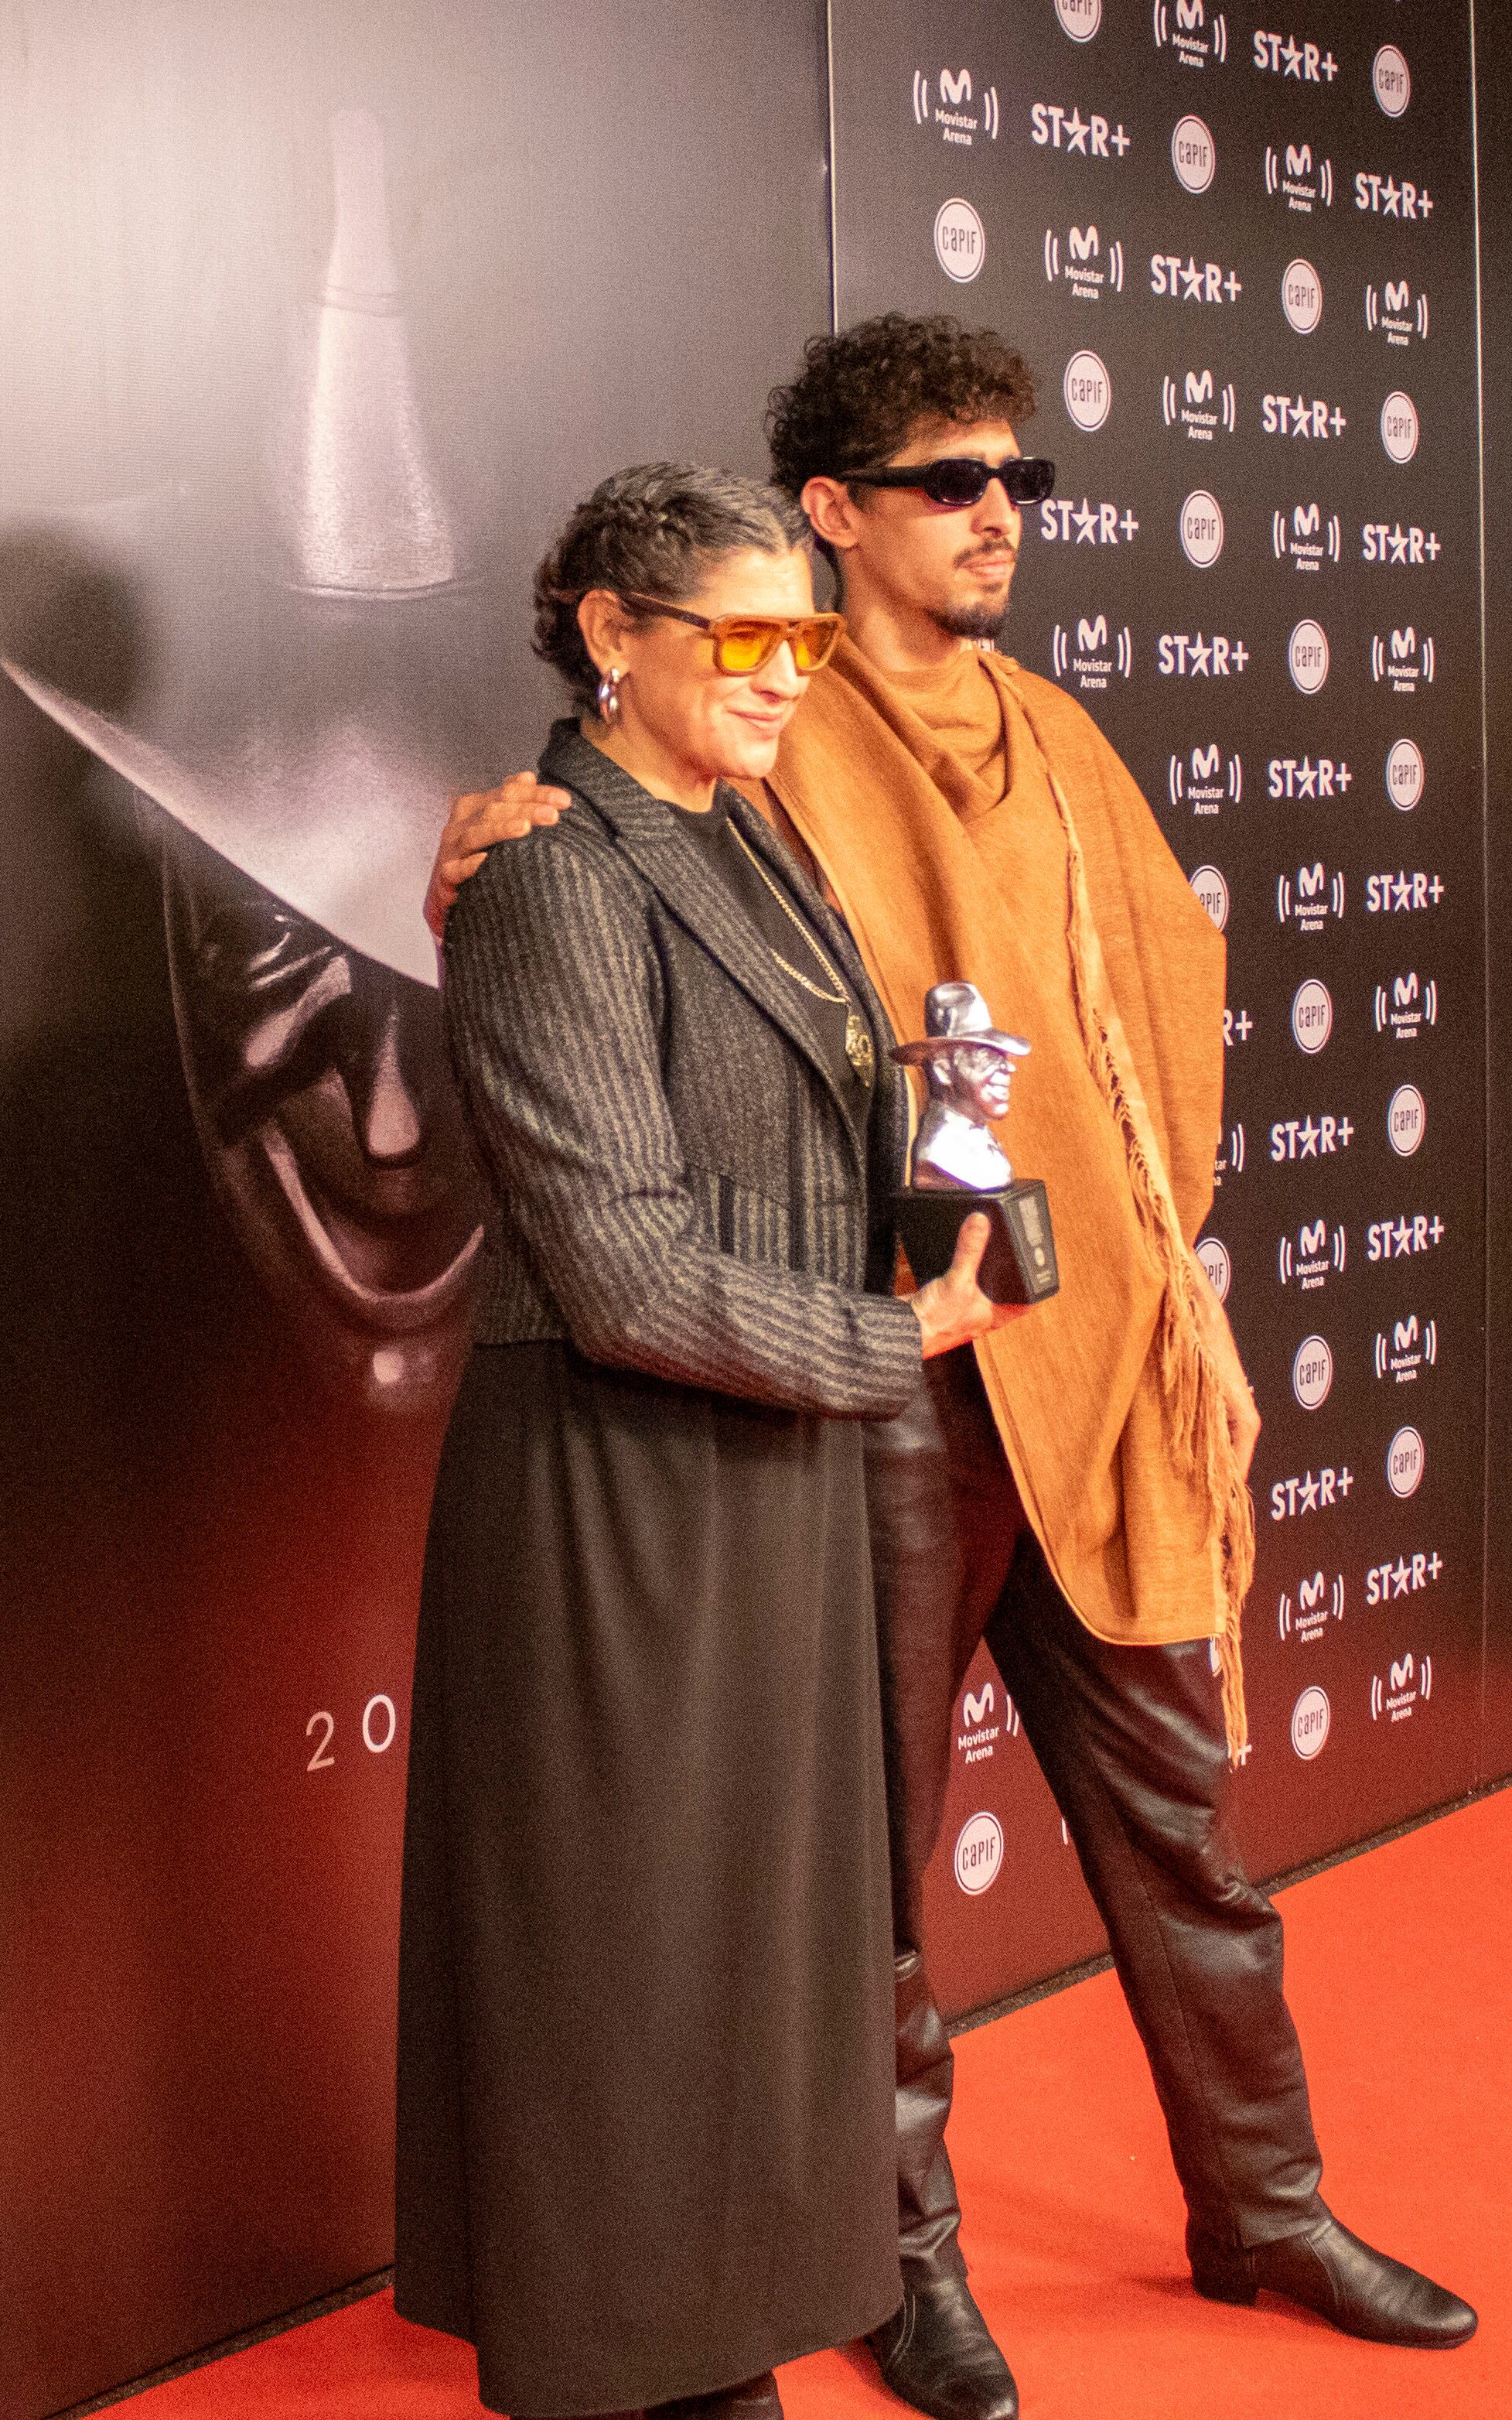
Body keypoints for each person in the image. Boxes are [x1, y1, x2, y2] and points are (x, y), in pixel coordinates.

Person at [424, 319, 1476, 2419]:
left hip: (1076, 1353)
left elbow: (1141, 1005)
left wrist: (1128, 1273)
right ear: (828, 511)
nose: (996, 515)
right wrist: (481, 851)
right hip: (870, 1389)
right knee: (863, 1867)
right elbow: (570, 855)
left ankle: (1261, 2199)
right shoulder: (745, 741)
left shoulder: (1048, 729)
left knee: (1181, 1811)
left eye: (1018, 483)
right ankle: (906, 2268)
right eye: (946, 481)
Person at [394, 461, 1022, 2420]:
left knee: (755, 1956)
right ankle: (630, 2361)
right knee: (627, 1968)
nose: (786, 674)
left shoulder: (750, 836)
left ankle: (716, 2338)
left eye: (806, 634)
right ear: (607, 633)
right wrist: (888, 1331)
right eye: (744, 637)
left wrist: (940, 1202)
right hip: (620, 1490)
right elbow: (625, 1274)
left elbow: (803, 1116)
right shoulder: (551, 872)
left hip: (765, 1465)